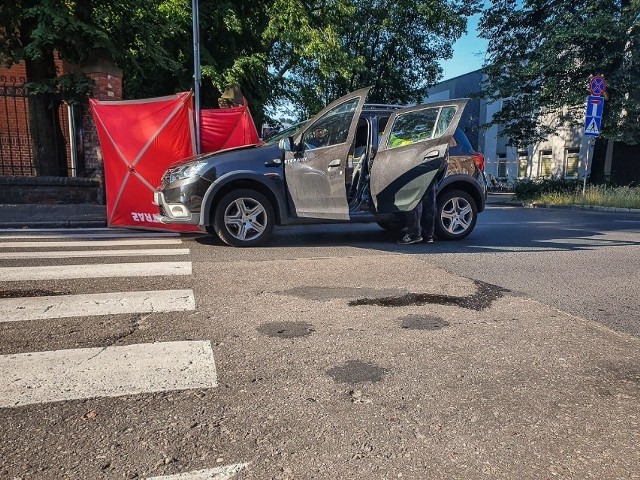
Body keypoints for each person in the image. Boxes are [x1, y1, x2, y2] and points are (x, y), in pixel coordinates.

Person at [397, 180, 437, 245]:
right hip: (430, 173)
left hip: (417, 174)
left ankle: (414, 234)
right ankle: (428, 235)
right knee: (429, 203)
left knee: (414, 202)